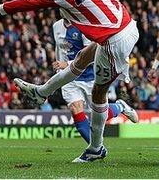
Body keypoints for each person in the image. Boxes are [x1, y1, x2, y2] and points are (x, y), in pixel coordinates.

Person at [0, 0, 140, 162]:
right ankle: (42, 91)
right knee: (83, 57)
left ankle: (95, 147)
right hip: (128, 25)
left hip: (114, 40)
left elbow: (28, 3)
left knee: (98, 96)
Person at [52, 11, 138, 144]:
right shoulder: (56, 26)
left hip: (90, 77)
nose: (62, 8)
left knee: (98, 117)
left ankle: (120, 107)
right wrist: (60, 70)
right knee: (76, 110)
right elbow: (60, 49)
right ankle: (97, 149)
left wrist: (67, 64)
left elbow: (90, 55)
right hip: (69, 78)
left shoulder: (83, 26)